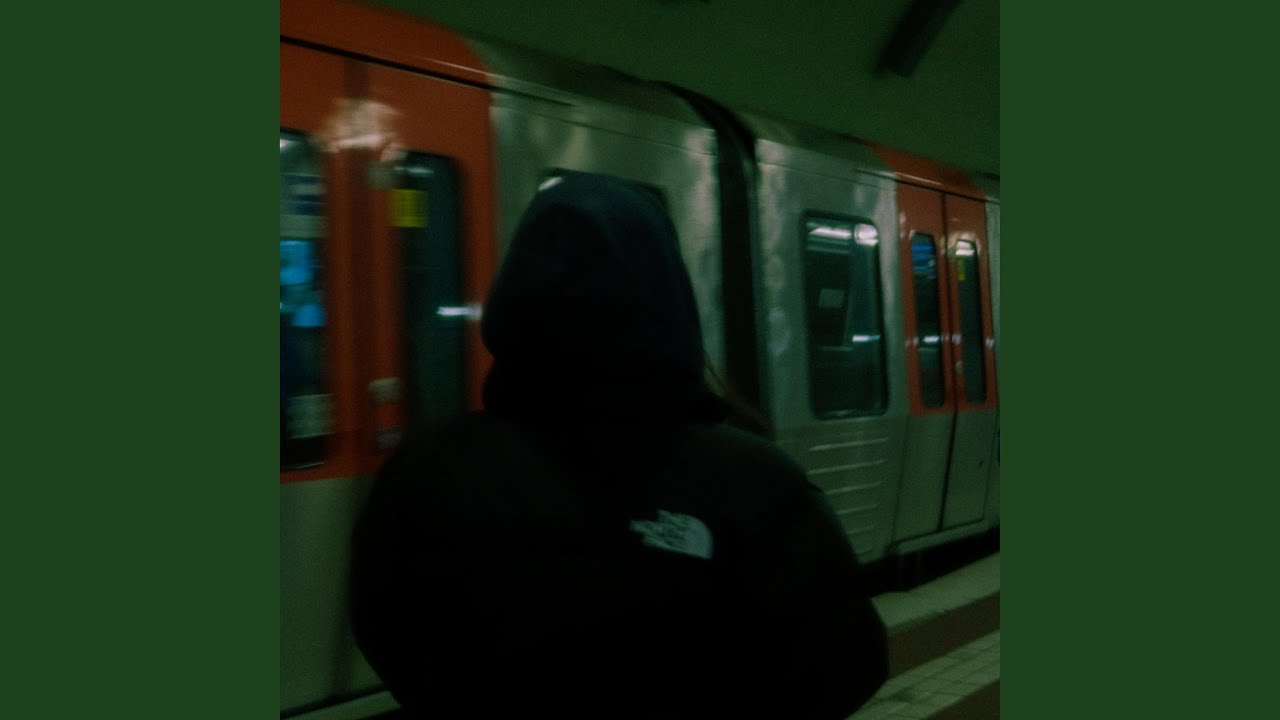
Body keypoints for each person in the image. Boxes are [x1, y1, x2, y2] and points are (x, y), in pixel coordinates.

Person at [350, 174, 887, 719]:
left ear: (513, 298)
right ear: (668, 300)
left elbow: (381, 624)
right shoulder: (758, 485)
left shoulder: (426, 471)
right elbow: (847, 665)